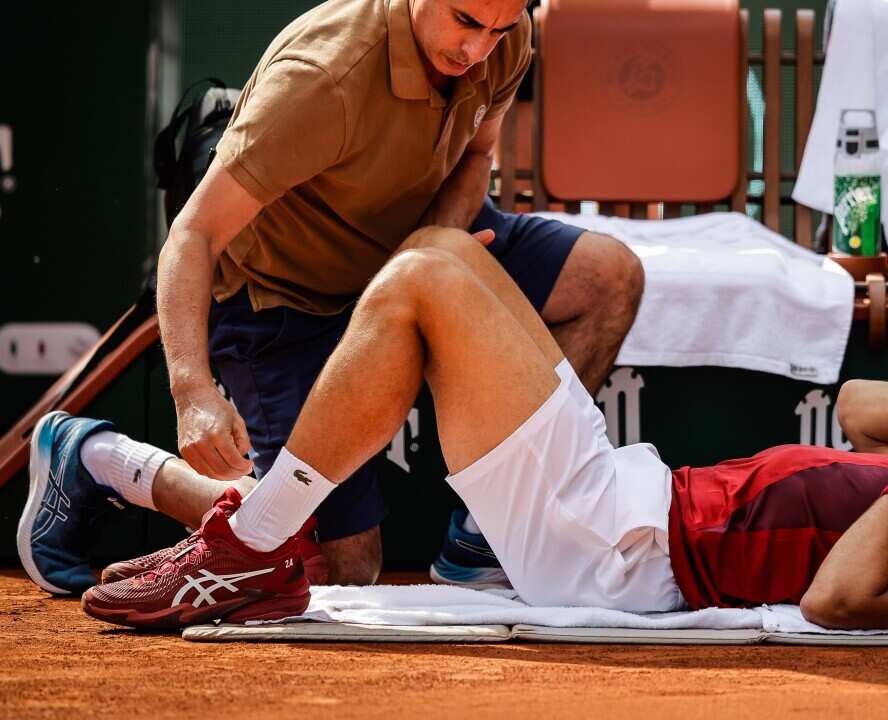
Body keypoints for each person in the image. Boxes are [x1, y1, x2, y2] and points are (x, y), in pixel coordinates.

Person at [22, 228, 888, 629]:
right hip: (622, 506)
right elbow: (863, 405)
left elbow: (838, 607)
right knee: (434, 266)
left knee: (426, 275)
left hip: (622, 550)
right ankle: (111, 466)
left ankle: (239, 543)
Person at [150, 0, 643, 590]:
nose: (478, 51)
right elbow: (194, 231)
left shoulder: (505, 29)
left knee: (609, 278)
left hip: (419, 236)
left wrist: (428, 255)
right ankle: (113, 463)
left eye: (499, 30)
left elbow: (477, 154)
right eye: (465, 22)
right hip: (286, 300)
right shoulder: (319, 78)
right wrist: (192, 391)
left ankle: (484, 536)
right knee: (345, 573)